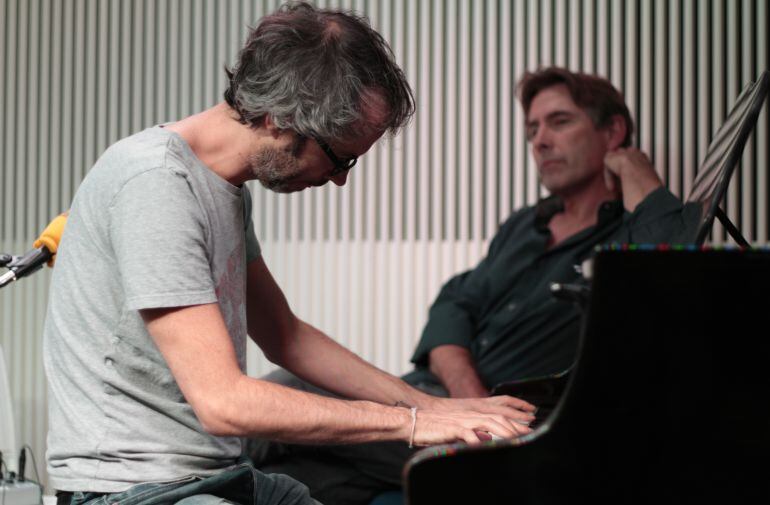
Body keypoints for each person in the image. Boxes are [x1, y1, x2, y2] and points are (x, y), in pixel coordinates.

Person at [42, 4, 536, 505]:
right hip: (130, 490)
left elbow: (286, 336)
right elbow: (223, 402)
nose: (341, 178)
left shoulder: (221, 188)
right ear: (280, 118)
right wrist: (411, 424)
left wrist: (431, 406)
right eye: (340, 157)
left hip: (213, 475)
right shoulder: (154, 184)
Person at [250, 66, 700, 505]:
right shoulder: (524, 227)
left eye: (559, 122)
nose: (541, 140)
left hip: (523, 432)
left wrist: (638, 173)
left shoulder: (636, 232)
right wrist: (468, 398)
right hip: (445, 404)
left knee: (287, 392)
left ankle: (182, 478)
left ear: (613, 131)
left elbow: (667, 286)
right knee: (281, 477)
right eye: (532, 130)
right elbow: (455, 304)